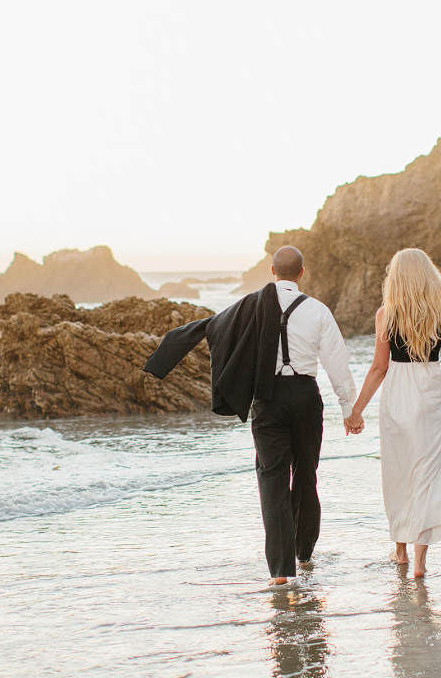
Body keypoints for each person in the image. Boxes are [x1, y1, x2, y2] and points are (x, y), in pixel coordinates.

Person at [144, 246, 357, 587]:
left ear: (272, 271)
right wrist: (350, 409)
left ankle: (282, 572)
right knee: (306, 474)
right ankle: (304, 552)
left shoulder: (251, 307)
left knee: (272, 479)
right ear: (302, 273)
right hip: (305, 397)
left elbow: (217, 327)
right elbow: (336, 363)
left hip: (268, 398)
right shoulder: (318, 311)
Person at [344, 248, 441, 578]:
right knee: (427, 475)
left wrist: (356, 410)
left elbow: (378, 368)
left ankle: (400, 552)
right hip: (431, 391)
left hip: (397, 394)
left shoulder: (386, 314)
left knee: (399, 473)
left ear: (396, 277)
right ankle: (420, 562)